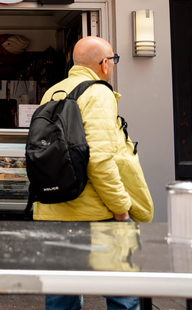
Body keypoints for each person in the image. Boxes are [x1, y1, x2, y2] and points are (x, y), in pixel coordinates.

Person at [32, 36, 153, 310]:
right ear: (104, 64)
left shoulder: (52, 92)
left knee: (62, 295)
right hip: (95, 213)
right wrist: (121, 208)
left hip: (54, 208)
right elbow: (99, 160)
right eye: (114, 59)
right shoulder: (99, 93)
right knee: (121, 294)